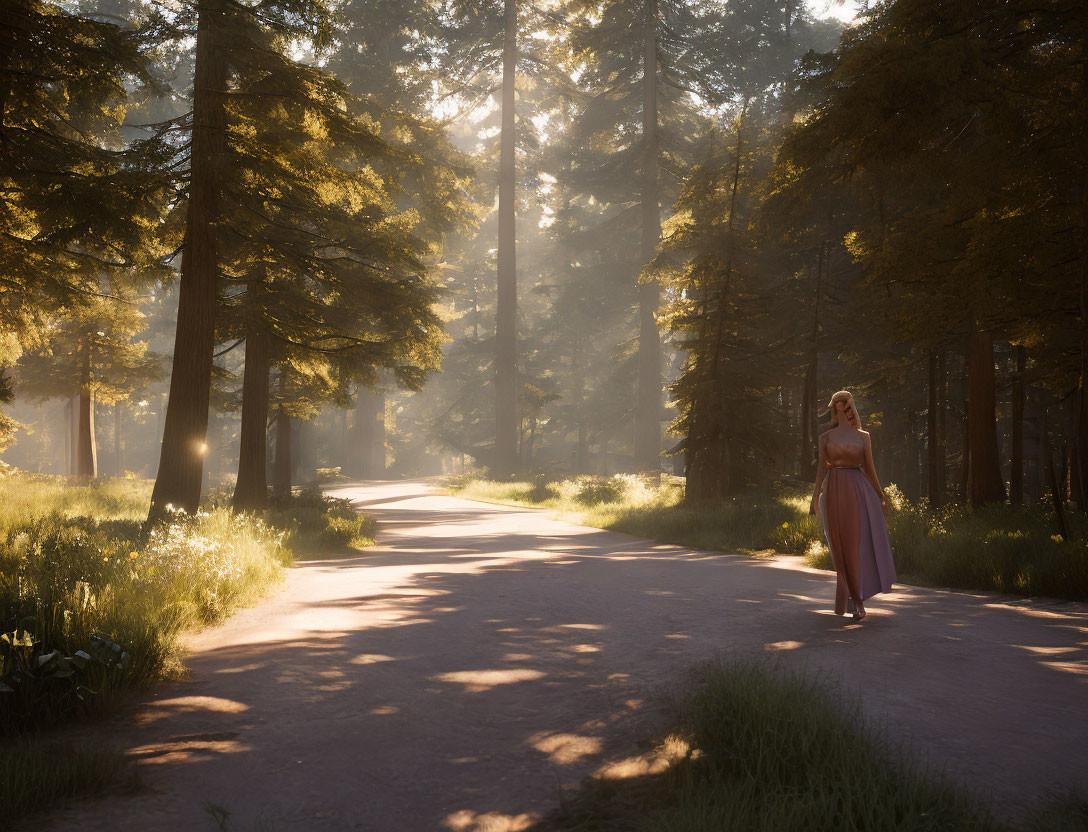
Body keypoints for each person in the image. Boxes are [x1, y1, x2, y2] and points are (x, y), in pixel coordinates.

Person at [808, 390, 896, 621]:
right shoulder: (825, 438)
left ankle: (858, 600)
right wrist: (814, 496)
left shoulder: (863, 436)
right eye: (837, 404)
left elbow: (870, 469)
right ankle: (850, 596)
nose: (840, 407)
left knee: (856, 544)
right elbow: (821, 470)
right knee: (839, 546)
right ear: (835, 408)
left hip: (858, 492)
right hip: (834, 491)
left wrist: (881, 494)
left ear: (846, 407)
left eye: (843, 403)